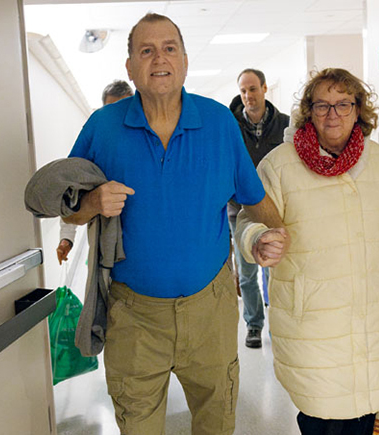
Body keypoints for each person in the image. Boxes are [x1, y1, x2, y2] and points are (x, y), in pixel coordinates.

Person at [63, 13, 286, 435]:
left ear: (185, 61)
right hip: (134, 317)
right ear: (129, 67)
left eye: (169, 48)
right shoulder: (102, 127)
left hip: (211, 309)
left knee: (216, 422)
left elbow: (254, 200)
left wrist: (282, 236)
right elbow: (69, 211)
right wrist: (92, 201)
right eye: (146, 50)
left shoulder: (219, 123)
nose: (159, 58)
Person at [236, 68, 379, 435]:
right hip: (311, 319)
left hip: (370, 316)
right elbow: (247, 219)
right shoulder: (280, 164)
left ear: (358, 110)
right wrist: (256, 240)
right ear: (308, 111)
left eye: (343, 104)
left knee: (368, 412)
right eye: (322, 105)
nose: (333, 114)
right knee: (321, 415)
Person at [227, 68, 290, 348]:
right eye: (243, 90)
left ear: (264, 89)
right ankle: (254, 325)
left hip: (274, 207)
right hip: (238, 209)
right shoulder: (230, 127)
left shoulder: (286, 126)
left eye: (253, 89)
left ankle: (276, 324)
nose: (248, 96)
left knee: (274, 267)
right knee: (248, 267)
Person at [57, 80, 134, 265]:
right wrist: (67, 237)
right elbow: (72, 188)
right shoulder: (95, 139)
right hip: (105, 236)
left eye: (124, 108)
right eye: (111, 110)